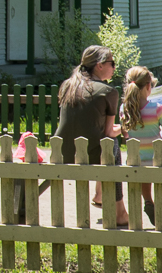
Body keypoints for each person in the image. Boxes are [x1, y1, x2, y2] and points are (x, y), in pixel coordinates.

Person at [55, 45, 128, 227]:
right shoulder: (108, 91)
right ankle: (119, 212)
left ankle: (100, 194)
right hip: (90, 154)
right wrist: (126, 126)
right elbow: (109, 132)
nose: (114, 67)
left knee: (107, 142)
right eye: (112, 63)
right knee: (112, 144)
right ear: (100, 65)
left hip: (61, 152)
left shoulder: (68, 85)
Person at [120, 66, 162, 225]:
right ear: (148, 86)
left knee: (144, 172)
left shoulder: (124, 109)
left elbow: (126, 134)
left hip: (137, 159)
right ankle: (160, 206)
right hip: (158, 158)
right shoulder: (156, 108)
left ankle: (148, 200)